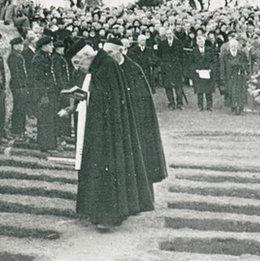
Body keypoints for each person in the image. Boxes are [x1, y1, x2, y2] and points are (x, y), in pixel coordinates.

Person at [64, 39, 154, 231]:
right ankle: (97, 212)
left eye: (78, 63)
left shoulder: (106, 66)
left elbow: (106, 99)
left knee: (108, 169)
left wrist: (87, 97)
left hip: (108, 131)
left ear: (86, 56)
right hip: (102, 128)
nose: (79, 68)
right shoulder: (100, 65)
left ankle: (108, 216)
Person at [103, 38, 168, 201]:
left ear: (121, 51)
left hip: (136, 123)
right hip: (117, 123)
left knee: (141, 159)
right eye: (105, 53)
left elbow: (142, 100)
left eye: (110, 52)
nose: (107, 56)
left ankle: (144, 199)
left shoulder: (133, 69)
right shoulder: (106, 70)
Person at [31, 36, 58, 152]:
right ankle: (45, 145)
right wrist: (44, 95)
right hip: (44, 94)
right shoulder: (38, 59)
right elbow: (38, 80)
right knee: (45, 120)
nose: (52, 47)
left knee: (50, 119)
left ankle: (50, 144)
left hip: (50, 92)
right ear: (44, 46)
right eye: (50, 45)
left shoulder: (46, 56)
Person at [220, 39, 249, 115]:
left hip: (240, 75)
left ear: (237, 46)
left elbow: (246, 63)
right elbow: (222, 67)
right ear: (229, 46)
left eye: (235, 46)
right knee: (231, 92)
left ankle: (241, 108)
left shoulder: (242, 54)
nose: (233, 47)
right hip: (229, 76)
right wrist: (222, 77)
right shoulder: (225, 55)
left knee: (241, 92)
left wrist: (242, 66)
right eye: (232, 46)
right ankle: (233, 108)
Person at [158, 28, 184, 110]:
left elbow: (181, 55)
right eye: (167, 34)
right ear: (165, 35)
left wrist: (180, 64)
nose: (169, 35)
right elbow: (159, 55)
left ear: (172, 34)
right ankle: (171, 103)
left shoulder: (178, 43)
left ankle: (179, 103)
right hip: (166, 68)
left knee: (178, 86)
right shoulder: (162, 44)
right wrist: (162, 64)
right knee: (168, 86)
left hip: (176, 67)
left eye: (170, 33)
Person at [7, 36, 29, 138]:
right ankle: (16, 130)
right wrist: (20, 86)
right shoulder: (13, 57)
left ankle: (21, 129)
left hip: (22, 86)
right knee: (18, 108)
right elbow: (15, 74)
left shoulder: (19, 56)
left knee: (22, 108)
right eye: (19, 44)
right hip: (17, 86)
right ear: (14, 46)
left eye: (22, 44)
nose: (21, 46)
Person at [190, 35, 217, 111]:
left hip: (208, 72)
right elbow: (191, 62)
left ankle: (209, 106)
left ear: (204, 42)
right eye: (199, 41)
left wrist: (210, 69)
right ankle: (200, 106)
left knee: (209, 91)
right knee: (199, 91)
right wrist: (196, 69)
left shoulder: (210, 50)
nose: (201, 43)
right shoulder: (194, 51)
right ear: (197, 42)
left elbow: (214, 61)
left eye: (202, 41)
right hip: (198, 73)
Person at [52, 41, 72, 139]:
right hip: (62, 89)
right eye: (61, 48)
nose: (63, 50)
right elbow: (58, 74)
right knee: (62, 109)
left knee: (64, 108)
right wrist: (62, 87)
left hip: (64, 87)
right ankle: (61, 132)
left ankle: (64, 132)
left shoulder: (59, 58)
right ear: (58, 49)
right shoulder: (56, 59)